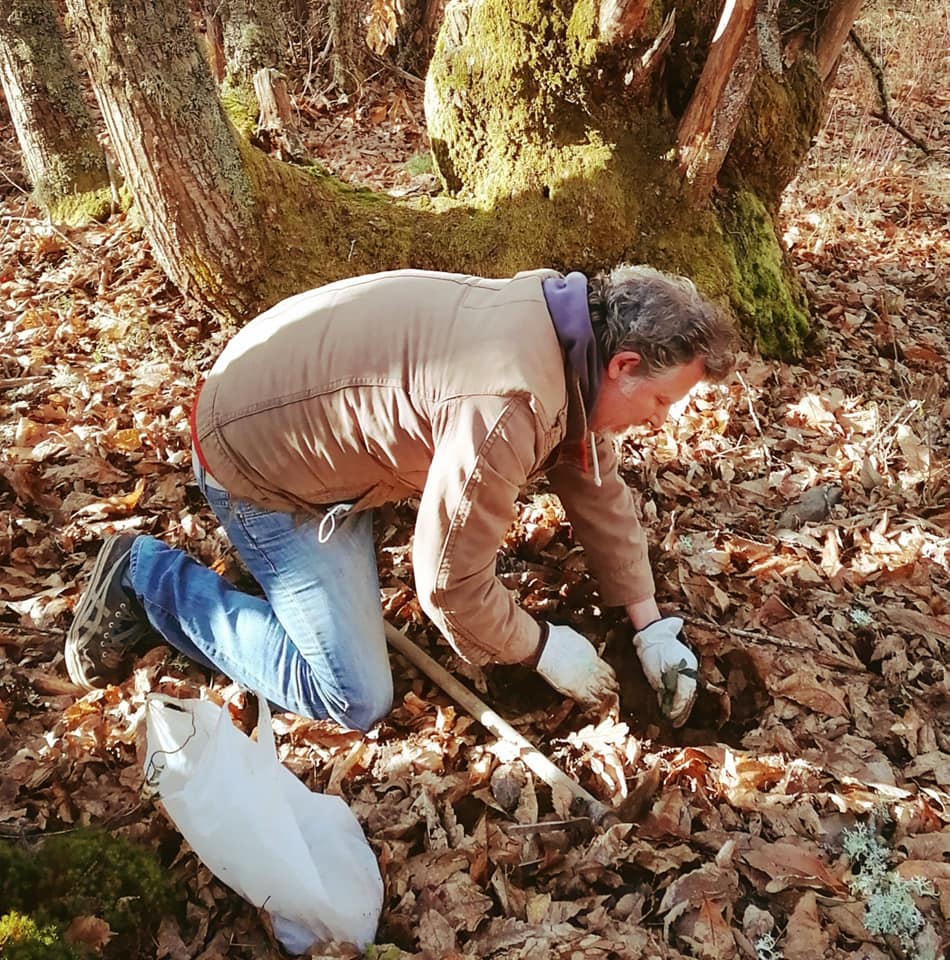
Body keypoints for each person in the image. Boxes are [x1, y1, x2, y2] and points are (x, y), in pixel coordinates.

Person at [65, 265, 735, 730]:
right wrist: (540, 649)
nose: (659, 420)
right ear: (622, 364)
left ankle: (274, 576)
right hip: (260, 467)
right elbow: (447, 584)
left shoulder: (562, 326)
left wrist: (651, 628)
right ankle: (148, 577)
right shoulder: (508, 403)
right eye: (660, 401)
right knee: (354, 695)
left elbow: (593, 479)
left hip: (290, 403)